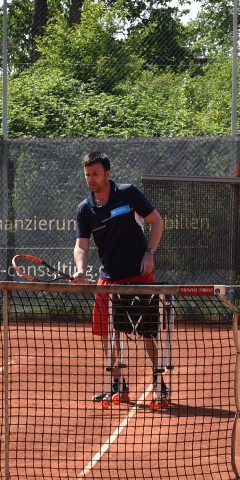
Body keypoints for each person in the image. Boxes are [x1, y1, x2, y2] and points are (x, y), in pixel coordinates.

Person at [72, 151, 165, 406]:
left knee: (148, 332)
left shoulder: (128, 193)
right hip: (109, 279)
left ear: (107, 174)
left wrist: (150, 253)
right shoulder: (85, 209)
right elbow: (81, 246)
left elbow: (157, 222)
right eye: (87, 174)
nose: (91, 179)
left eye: (95, 174)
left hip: (139, 275)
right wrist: (81, 270)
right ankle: (117, 384)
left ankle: (159, 382)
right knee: (107, 334)